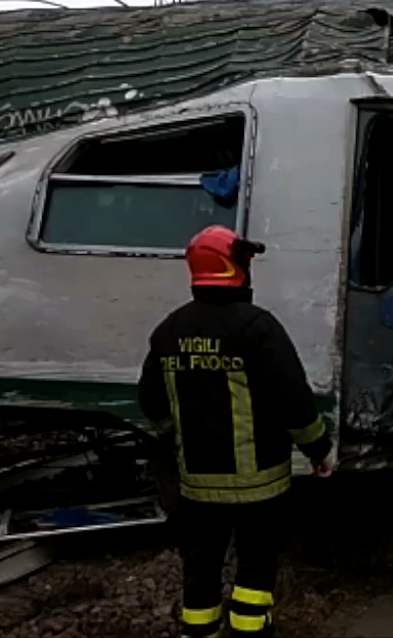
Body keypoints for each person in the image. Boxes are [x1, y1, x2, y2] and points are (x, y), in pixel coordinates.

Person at [139, 225, 336, 638]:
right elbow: (294, 400)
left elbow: (151, 401)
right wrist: (318, 449)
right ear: (236, 268)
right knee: (256, 564)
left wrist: (178, 436)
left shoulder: (169, 330)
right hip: (258, 485)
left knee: (201, 565)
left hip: (196, 485)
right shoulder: (257, 328)